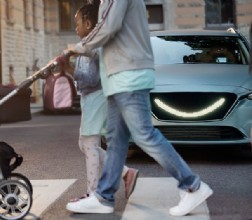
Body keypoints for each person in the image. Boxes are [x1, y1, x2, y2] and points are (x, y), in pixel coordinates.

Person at [63, 0, 213, 217]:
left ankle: (192, 185)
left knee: (144, 135)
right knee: (116, 140)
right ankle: (104, 198)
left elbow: (108, 28)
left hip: (129, 75)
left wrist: (77, 48)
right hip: (116, 77)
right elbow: (106, 35)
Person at [58, 3, 139, 201]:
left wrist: (72, 51)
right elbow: (83, 75)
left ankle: (94, 194)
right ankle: (125, 173)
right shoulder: (86, 44)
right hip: (90, 97)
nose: (75, 28)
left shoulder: (96, 43)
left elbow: (93, 66)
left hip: (99, 96)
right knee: (84, 144)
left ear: (87, 23)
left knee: (90, 143)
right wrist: (64, 67)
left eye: (77, 23)